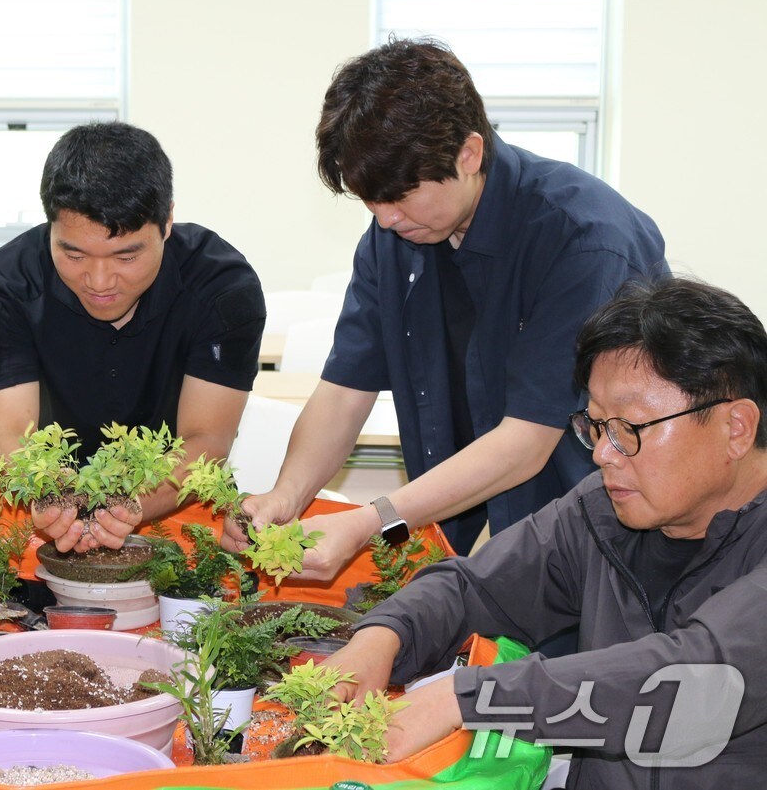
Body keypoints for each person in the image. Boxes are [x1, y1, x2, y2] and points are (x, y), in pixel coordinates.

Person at [223, 38, 666, 579]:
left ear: (469, 154)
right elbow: (343, 392)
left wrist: (371, 521)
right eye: (370, 200)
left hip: (610, 542)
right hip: (476, 536)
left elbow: (525, 443)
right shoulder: (394, 239)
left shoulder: (583, 240)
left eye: (400, 196)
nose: (385, 218)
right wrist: (285, 497)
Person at [324, 277, 767, 787]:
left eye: (630, 429)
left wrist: (465, 698)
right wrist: (385, 634)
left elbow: (693, 682)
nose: (603, 453)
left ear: (736, 429)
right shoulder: (602, 513)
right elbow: (474, 586)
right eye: (597, 426)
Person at [0, 121, 266, 553]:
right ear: (50, 226)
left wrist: (127, 507)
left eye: (127, 255)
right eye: (73, 253)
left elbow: (206, 440)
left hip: (179, 510)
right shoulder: (6, 289)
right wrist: (55, 498)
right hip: (50, 519)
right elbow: (8, 434)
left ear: (167, 224)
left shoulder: (222, 289)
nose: (99, 281)